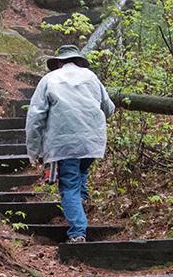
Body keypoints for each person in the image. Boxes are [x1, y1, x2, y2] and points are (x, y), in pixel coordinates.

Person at [25, 44, 115, 243]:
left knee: (69, 186)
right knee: (81, 173)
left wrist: (33, 151)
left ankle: (77, 232)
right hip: (92, 142)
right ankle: (80, 203)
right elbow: (109, 108)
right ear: (78, 61)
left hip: (64, 144)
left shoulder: (49, 80)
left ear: (58, 62)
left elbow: (35, 116)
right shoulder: (91, 77)